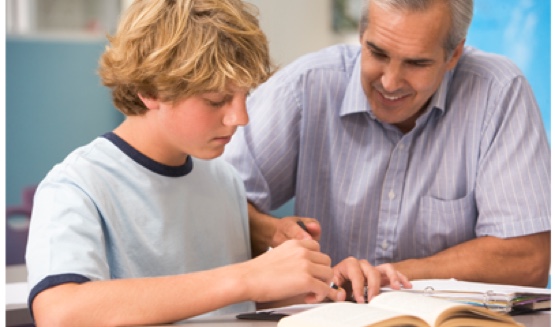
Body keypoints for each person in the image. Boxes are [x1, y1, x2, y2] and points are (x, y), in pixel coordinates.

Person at [25, 0, 410, 326]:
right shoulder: (77, 186)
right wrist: (246, 278)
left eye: (244, 95)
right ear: (149, 90)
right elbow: (60, 311)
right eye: (216, 100)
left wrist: (318, 283)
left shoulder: (222, 179)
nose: (240, 118)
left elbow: (224, 306)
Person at [223, 0, 551, 288]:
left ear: (453, 55)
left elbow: (528, 259)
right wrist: (272, 233)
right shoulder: (305, 86)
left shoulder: (498, 91)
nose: (390, 82)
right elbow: (214, 200)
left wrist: (389, 275)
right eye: (377, 53)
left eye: (416, 63)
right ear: (362, 36)